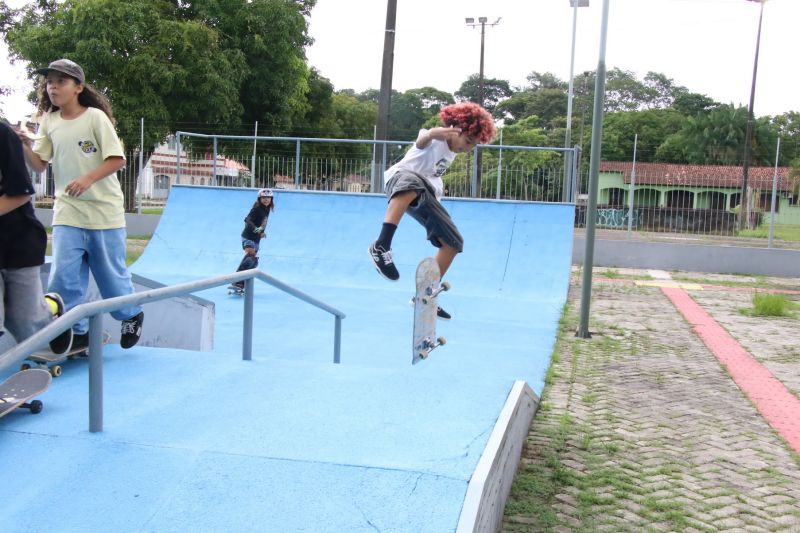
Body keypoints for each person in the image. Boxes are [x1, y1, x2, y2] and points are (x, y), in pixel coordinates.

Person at [17, 58, 143, 352]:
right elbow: (39, 165)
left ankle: (131, 314)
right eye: (49, 81)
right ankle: (77, 329)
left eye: (60, 81)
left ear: (78, 87)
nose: (53, 87)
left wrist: (87, 178)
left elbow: (117, 159)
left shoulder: (95, 118)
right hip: (68, 213)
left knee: (111, 278)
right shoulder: (49, 121)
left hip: (103, 213)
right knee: (63, 277)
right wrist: (24, 144)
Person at [368, 102, 496, 320]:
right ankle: (382, 244)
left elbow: (432, 176)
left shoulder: (452, 153)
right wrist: (432, 133)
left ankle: (425, 296)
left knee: (454, 242)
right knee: (412, 183)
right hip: (399, 179)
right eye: (467, 142)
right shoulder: (434, 139)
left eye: (473, 146)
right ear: (456, 129)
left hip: (424, 193)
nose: (467, 149)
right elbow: (421, 141)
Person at [1, 120, 73, 355]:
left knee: (23, 321)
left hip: (17, 241)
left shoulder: (3, 136)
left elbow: (20, 194)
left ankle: (51, 309)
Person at [229, 188, 274, 291]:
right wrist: (256, 229)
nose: (266, 200)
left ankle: (242, 282)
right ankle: (237, 281)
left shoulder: (267, 209)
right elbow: (247, 219)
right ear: (259, 199)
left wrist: (261, 232)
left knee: (254, 261)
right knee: (250, 256)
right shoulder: (257, 208)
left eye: (268, 198)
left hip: (256, 239)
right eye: (264, 198)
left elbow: (262, 223)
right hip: (248, 236)